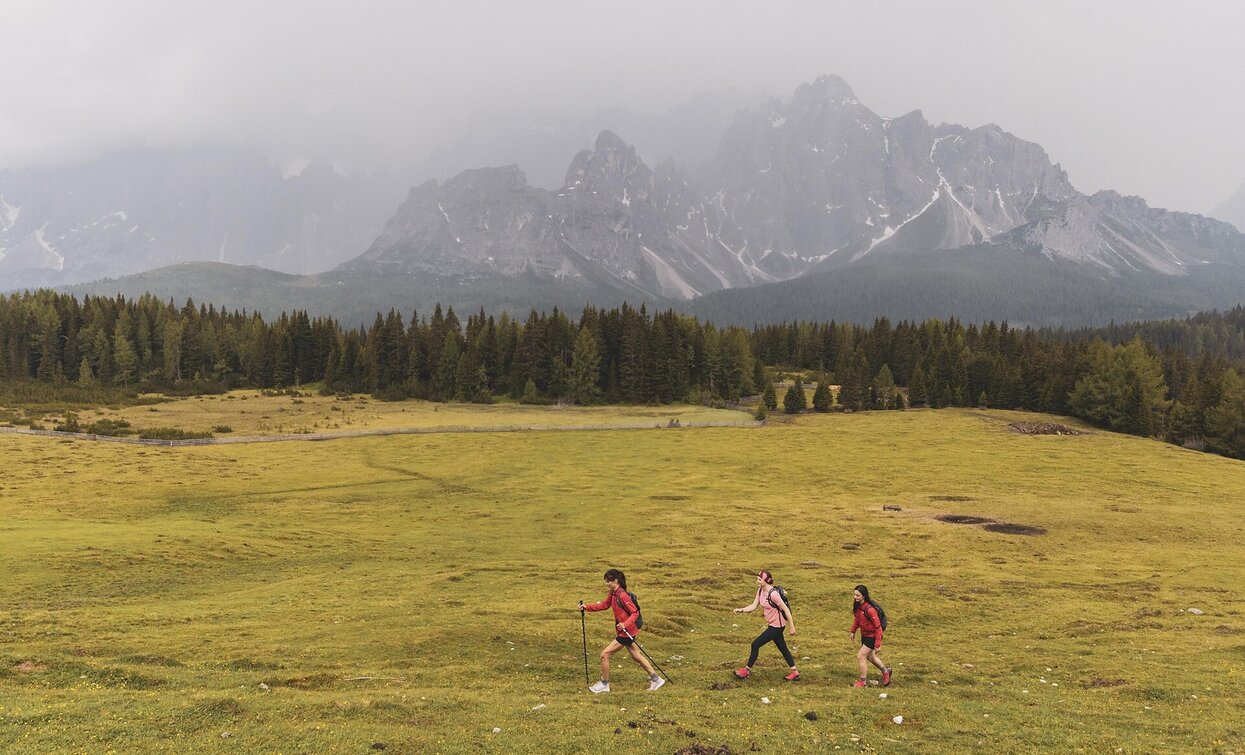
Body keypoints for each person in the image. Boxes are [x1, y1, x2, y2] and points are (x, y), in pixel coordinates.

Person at [579, 569, 664, 693]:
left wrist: (624, 624)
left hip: (626, 632)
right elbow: (604, 605)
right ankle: (656, 679)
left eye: (608, 581)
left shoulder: (622, 595)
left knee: (605, 655)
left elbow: (635, 612)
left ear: (616, 581)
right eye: (605, 581)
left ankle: (604, 684)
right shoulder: (613, 594)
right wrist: (587, 607)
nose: (606, 584)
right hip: (625, 631)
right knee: (636, 656)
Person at [732, 570, 799, 681]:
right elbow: (754, 606)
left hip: (777, 626)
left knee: (755, 644)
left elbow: (786, 610)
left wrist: (792, 627)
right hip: (772, 624)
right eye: (757, 579)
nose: (757, 581)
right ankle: (795, 672)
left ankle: (746, 671)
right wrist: (741, 610)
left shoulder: (773, 594)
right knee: (783, 648)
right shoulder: (760, 591)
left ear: (766, 581)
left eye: (759, 579)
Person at [849, 584, 891, 687]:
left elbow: (878, 628)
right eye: (854, 595)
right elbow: (857, 620)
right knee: (871, 657)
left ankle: (863, 681)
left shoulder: (870, 610)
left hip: (872, 637)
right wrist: (853, 631)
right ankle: (886, 672)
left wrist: (877, 644)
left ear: (864, 596)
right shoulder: (859, 607)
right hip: (865, 635)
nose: (855, 597)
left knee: (861, 656)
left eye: (857, 595)